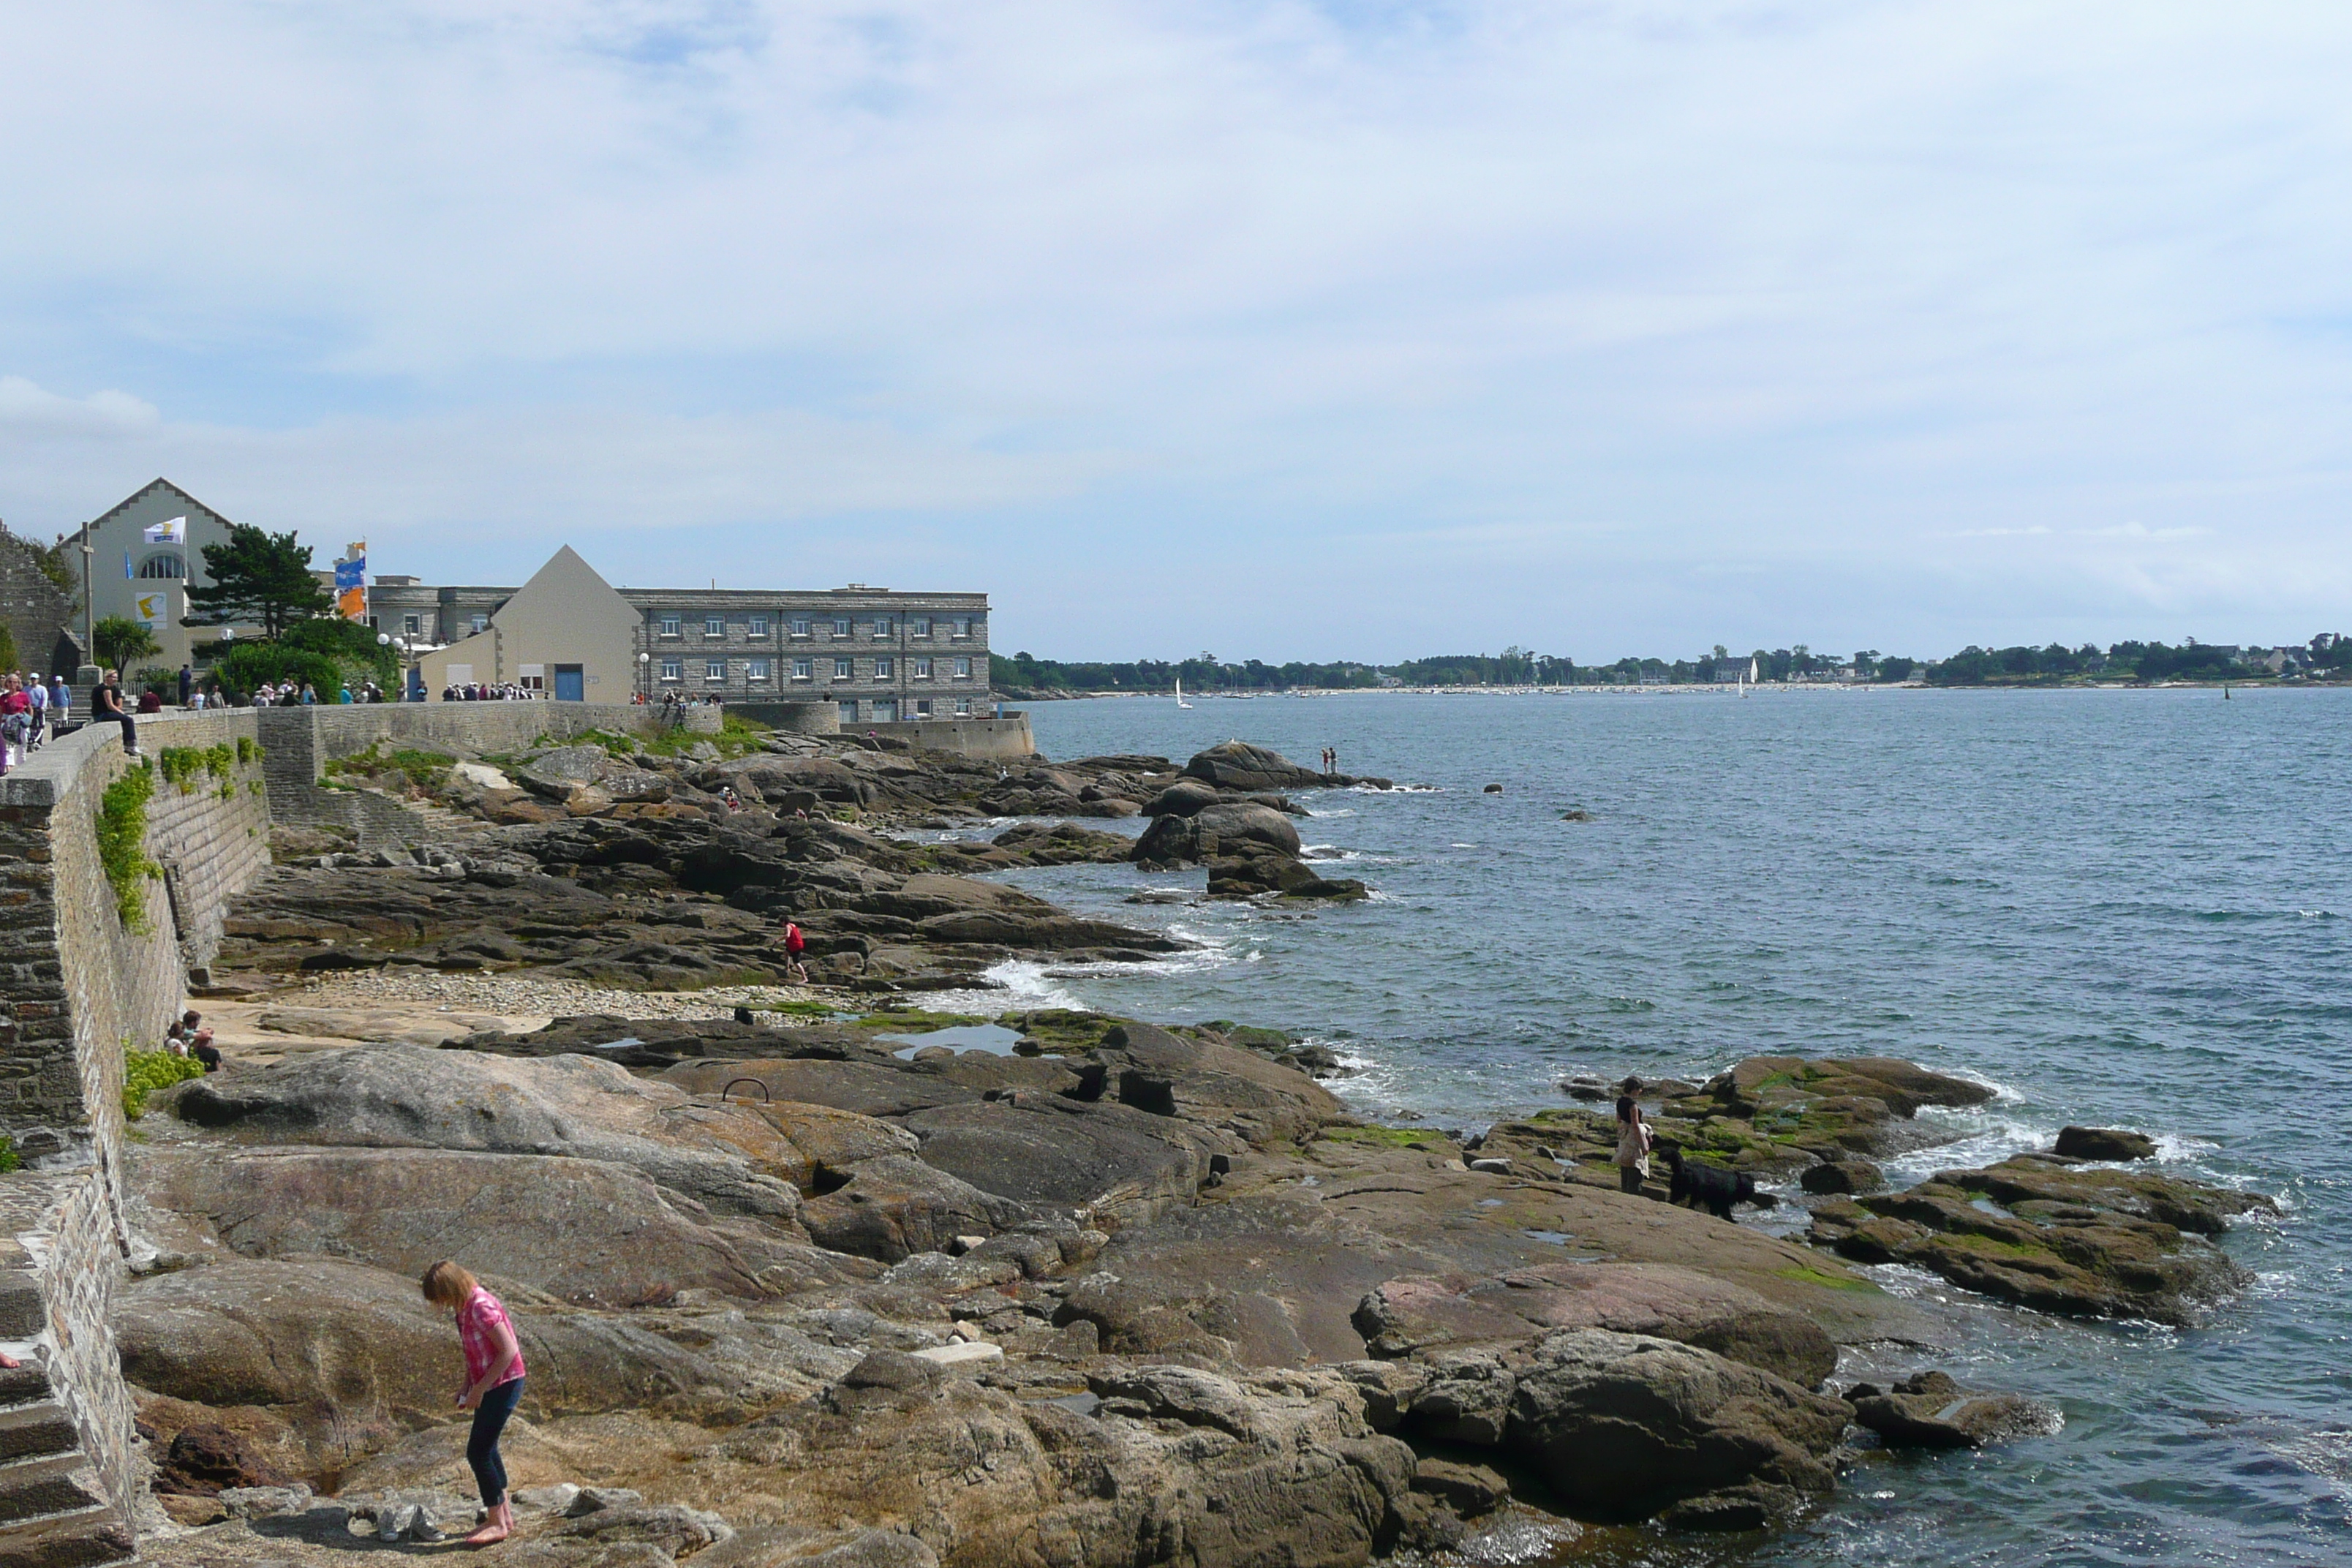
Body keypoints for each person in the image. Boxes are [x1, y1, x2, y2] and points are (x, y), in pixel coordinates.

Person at [421, 1262, 527, 1546]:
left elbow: (508, 1351)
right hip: (489, 1383)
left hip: (505, 1383)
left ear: (451, 1288)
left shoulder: (481, 1306)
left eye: (440, 1297)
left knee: (478, 1452)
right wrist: (468, 1386)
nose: (440, 1304)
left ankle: (496, 1524)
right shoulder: (462, 1310)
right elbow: (474, 1352)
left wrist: (481, 1389)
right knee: (487, 1448)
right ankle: (504, 1516)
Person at [93, 670, 137, 758]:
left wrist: (119, 710)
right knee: (128, 720)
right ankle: (131, 745)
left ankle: (129, 744)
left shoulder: (113, 689)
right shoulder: (105, 689)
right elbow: (110, 705)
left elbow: (119, 703)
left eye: (116, 678)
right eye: (113, 677)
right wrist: (122, 713)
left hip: (104, 713)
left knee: (126, 720)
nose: (115, 680)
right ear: (107, 678)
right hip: (102, 715)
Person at [1613, 1095, 1652, 1195]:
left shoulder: (1620, 1101)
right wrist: (1644, 1145)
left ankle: (1624, 1195)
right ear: (1635, 1089)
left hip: (1625, 1139)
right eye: (1639, 1090)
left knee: (1625, 1170)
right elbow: (1635, 1126)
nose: (1641, 1092)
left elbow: (1618, 1120)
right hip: (1634, 1139)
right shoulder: (1632, 1104)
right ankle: (1633, 1197)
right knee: (1636, 1169)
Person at [783, 918, 807, 984]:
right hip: (796, 944)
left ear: (783, 922)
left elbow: (788, 935)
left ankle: (804, 978)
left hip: (795, 946)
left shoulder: (787, 926)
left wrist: (779, 939)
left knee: (796, 963)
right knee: (786, 952)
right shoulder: (793, 925)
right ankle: (787, 967)